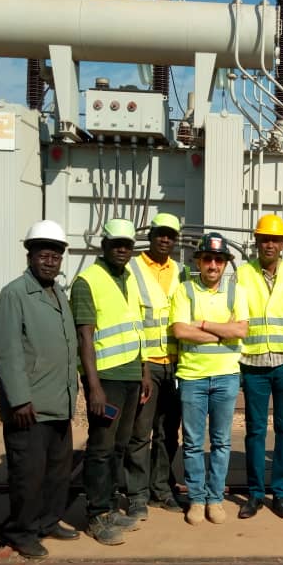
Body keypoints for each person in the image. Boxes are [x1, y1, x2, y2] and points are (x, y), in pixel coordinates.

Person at [0, 220, 80, 559]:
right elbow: (8, 351)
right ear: (30, 256)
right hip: (29, 407)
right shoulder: (15, 294)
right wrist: (19, 400)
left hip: (59, 401)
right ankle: (21, 531)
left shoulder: (58, 293)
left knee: (57, 471)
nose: (49, 262)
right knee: (27, 474)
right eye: (43, 255)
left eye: (55, 257)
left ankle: (48, 520)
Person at [70, 218, 151, 546]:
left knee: (119, 446)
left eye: (127, 245)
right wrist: (94, 388)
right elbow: (84, 338)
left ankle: (110, 506)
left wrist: (144, 370)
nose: (122, 249)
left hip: (131, 375)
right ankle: (96, 515)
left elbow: (136, 326)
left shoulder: (128, 277)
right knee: (101, 448)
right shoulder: (87, 281)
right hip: (107, 378)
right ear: (103, 245)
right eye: (116, 244)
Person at [170, 232, 249, 525]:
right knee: (192, 443)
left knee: (221, 442)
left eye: (218, 260)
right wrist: (221, 333)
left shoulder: (235, 292)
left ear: (226, 263)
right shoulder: (185, 291)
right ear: (198, 262)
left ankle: (215, 499)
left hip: (226, 376)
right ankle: (196, 499)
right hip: (192, 377)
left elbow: (240, 330)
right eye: (208, 259)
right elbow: (180, 331)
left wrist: (202, 324)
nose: (213, 265)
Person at [236, 214, 283, 520]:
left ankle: (281, 494)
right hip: (253, 363)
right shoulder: (243, 273)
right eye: (264, 239)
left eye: (275, 240)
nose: (270, 245)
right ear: (257, 242)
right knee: (255, 430)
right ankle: (255, 494)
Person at [128, 212, 184, 513]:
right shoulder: (132, 268)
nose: (165, 239)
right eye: (160, 233)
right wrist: (141, 366)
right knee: (140, 433)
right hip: (146, 364)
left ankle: (161, 489)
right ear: (150, 236)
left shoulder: (180, 271)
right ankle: (137, 494)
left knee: (167, 432)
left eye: (170, 235)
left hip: (175, 364)